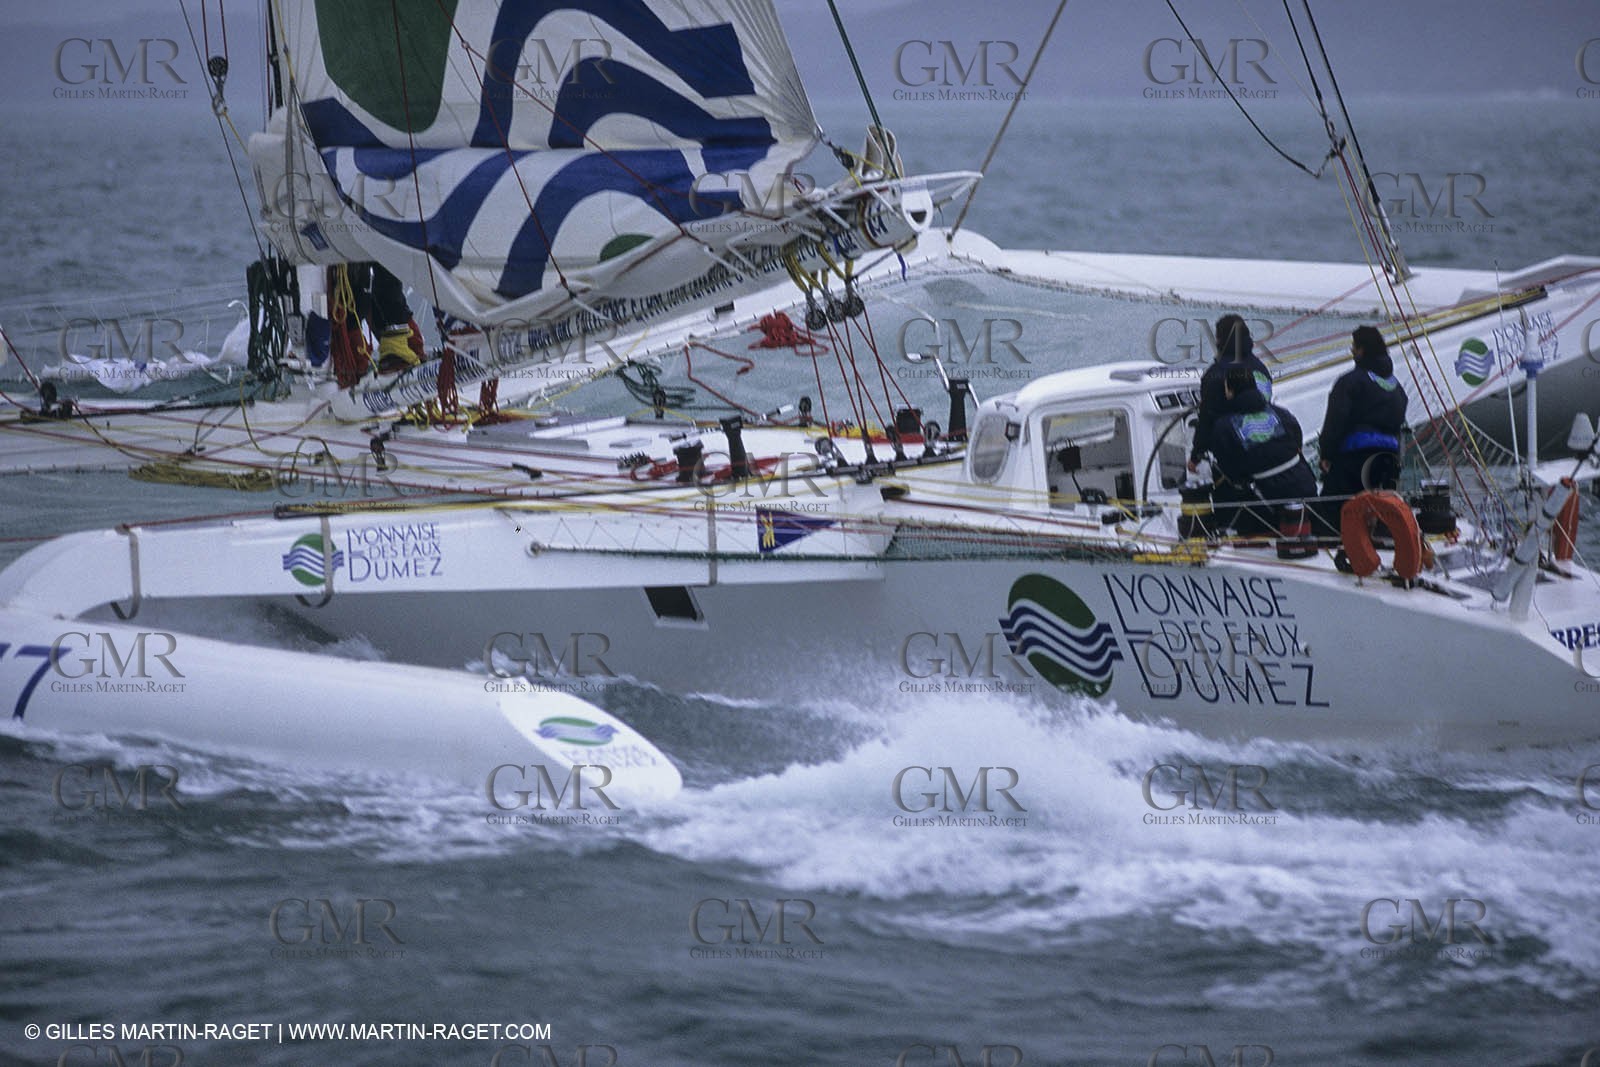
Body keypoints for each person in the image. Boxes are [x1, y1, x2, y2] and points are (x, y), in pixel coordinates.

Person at [1208, 364, 1318, 535]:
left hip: (1270, 495)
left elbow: (1229, 467)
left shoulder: (1224, 426)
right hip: (1306, 484)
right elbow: (1297, 439)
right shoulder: (1281, 413)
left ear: (1229, 391)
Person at [1317, 325, 1408, 529]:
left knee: (1331, 508)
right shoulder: (1396, 387)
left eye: (1354, 347)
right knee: (1380, 506)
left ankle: (1331, 545)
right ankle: (1384, 540)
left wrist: (1326, 454)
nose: (1352, 351)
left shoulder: (1350, 382)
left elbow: (1335, 421)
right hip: (1388, 460)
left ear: (1362, 350)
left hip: (1354, 460)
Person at [1188, 314, 1274, 474]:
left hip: (1235, 458)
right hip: (1268, 449)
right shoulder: (1262, 369)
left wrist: (1195, 456)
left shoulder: (1215, 375)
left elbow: (1207, 419)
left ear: (1220, 340)